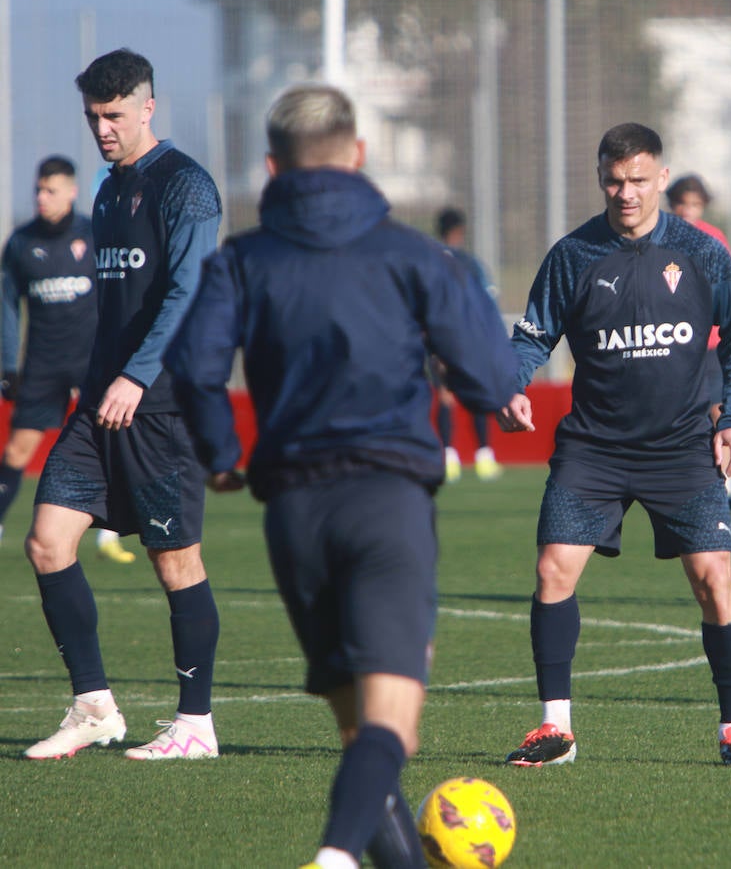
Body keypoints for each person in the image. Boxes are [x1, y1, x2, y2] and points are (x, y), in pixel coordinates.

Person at [164, 84, 520, 869]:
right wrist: (493, 387)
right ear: (358, 154)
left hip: (292, 512)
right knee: (393, 727)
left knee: (361, 735)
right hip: (387, 502)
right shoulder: (415, 254)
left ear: (270, 167)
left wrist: (223, 456)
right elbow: (490, 376)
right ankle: (334, 857)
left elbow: (193, 367)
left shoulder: (240, 261)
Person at [499, 122, 731, 767]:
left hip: (682, 448)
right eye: (615, 181)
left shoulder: (702, 252)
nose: (626, 193)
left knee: (713, 581)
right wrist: (507, 385)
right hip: (594, 447)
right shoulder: (572, 255)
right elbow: (532, 337)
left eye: (639, 180)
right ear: (600, 180)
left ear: (662, 179)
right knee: (551, 572)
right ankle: (554, 729)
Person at [22, 49, 223, 761]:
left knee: (176, 564)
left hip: (159, 405)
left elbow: (189, 293)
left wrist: (136, 375)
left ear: (147, 107)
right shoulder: (108, 193)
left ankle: (194, 725)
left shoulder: (186, 187)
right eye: (92, 117)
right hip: (97, 407)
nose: (102, 129)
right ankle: (94, 706)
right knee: (47, 542)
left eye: (112, 115)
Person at [0, 156, 136, 564]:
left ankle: (109, 534)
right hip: (42, 364)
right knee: (18, 452)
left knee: (113, 441)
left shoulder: (93, 235)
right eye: (38, 190)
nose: (42, 198)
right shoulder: (21, 243)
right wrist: (9, 365)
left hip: (92, 361)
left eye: (51, 190)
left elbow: (119, 296)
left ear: (72, 192)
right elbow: (7, 307)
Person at [665, 174, 731, 508]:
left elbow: (727, 287)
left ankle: (725, 485)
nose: (688, 210)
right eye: (683, 203)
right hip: (674, 341)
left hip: (710, 342)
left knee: (718, 408)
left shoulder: (714, 238)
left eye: (695, 204)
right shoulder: (661, 236)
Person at [434, 206, 503, 482]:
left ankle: (449, 457)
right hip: (468, 337)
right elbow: (488, 300)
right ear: (459, 231)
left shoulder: (429, 261)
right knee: (476, 393)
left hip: (437, 339)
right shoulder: (469, 263)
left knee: (445, 397)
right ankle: (484, 456)